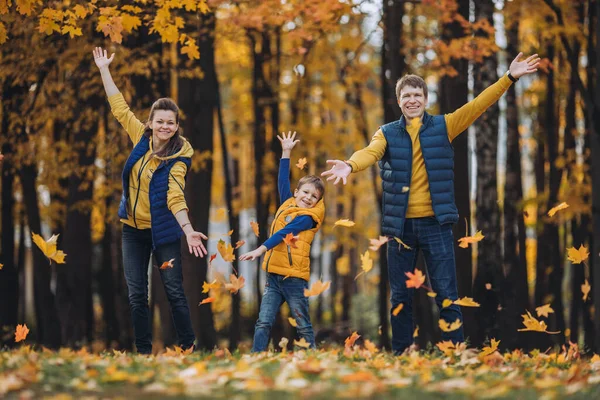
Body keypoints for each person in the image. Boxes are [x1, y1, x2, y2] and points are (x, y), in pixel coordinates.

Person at [322, 53, 540, 354]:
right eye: (406, 95)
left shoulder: (444, 126)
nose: (412, 99)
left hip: (436, 225)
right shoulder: (386, 133)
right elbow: (370, 153)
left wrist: (509, 77)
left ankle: (453, 352)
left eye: (417, 94)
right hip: (400, 229)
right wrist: (349, 164)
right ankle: (400, 353)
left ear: (425, 99)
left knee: (447, 294)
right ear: (399, 101)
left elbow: (477, 105)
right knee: (400, 296)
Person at [93, 47, 208, 354]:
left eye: (170, 123)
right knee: (136, 294)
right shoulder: (140, 137)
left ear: (177, 125)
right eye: (160, 122)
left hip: (165, 231)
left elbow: (175, 194)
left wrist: (187, 229)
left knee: (173, 291)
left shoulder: (180, 155)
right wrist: (105, 69)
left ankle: (188, 348)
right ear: (151, 122)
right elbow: (119, 108)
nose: (164, 127)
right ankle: (142, 353)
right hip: (133, 230)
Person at [240, 131, 325, 352]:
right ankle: (256, 357)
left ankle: (312, 357)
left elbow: (284, 233)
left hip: (294, 279)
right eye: (305, 192)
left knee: (303, 325)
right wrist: (286, 152)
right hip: (274, 277)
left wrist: (260, 249)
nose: (308, 197)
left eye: (313, 196)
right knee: (263, 321)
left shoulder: (308, 218)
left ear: (317, 202)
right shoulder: (287, 204)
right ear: (296, 192)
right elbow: (281, 181)